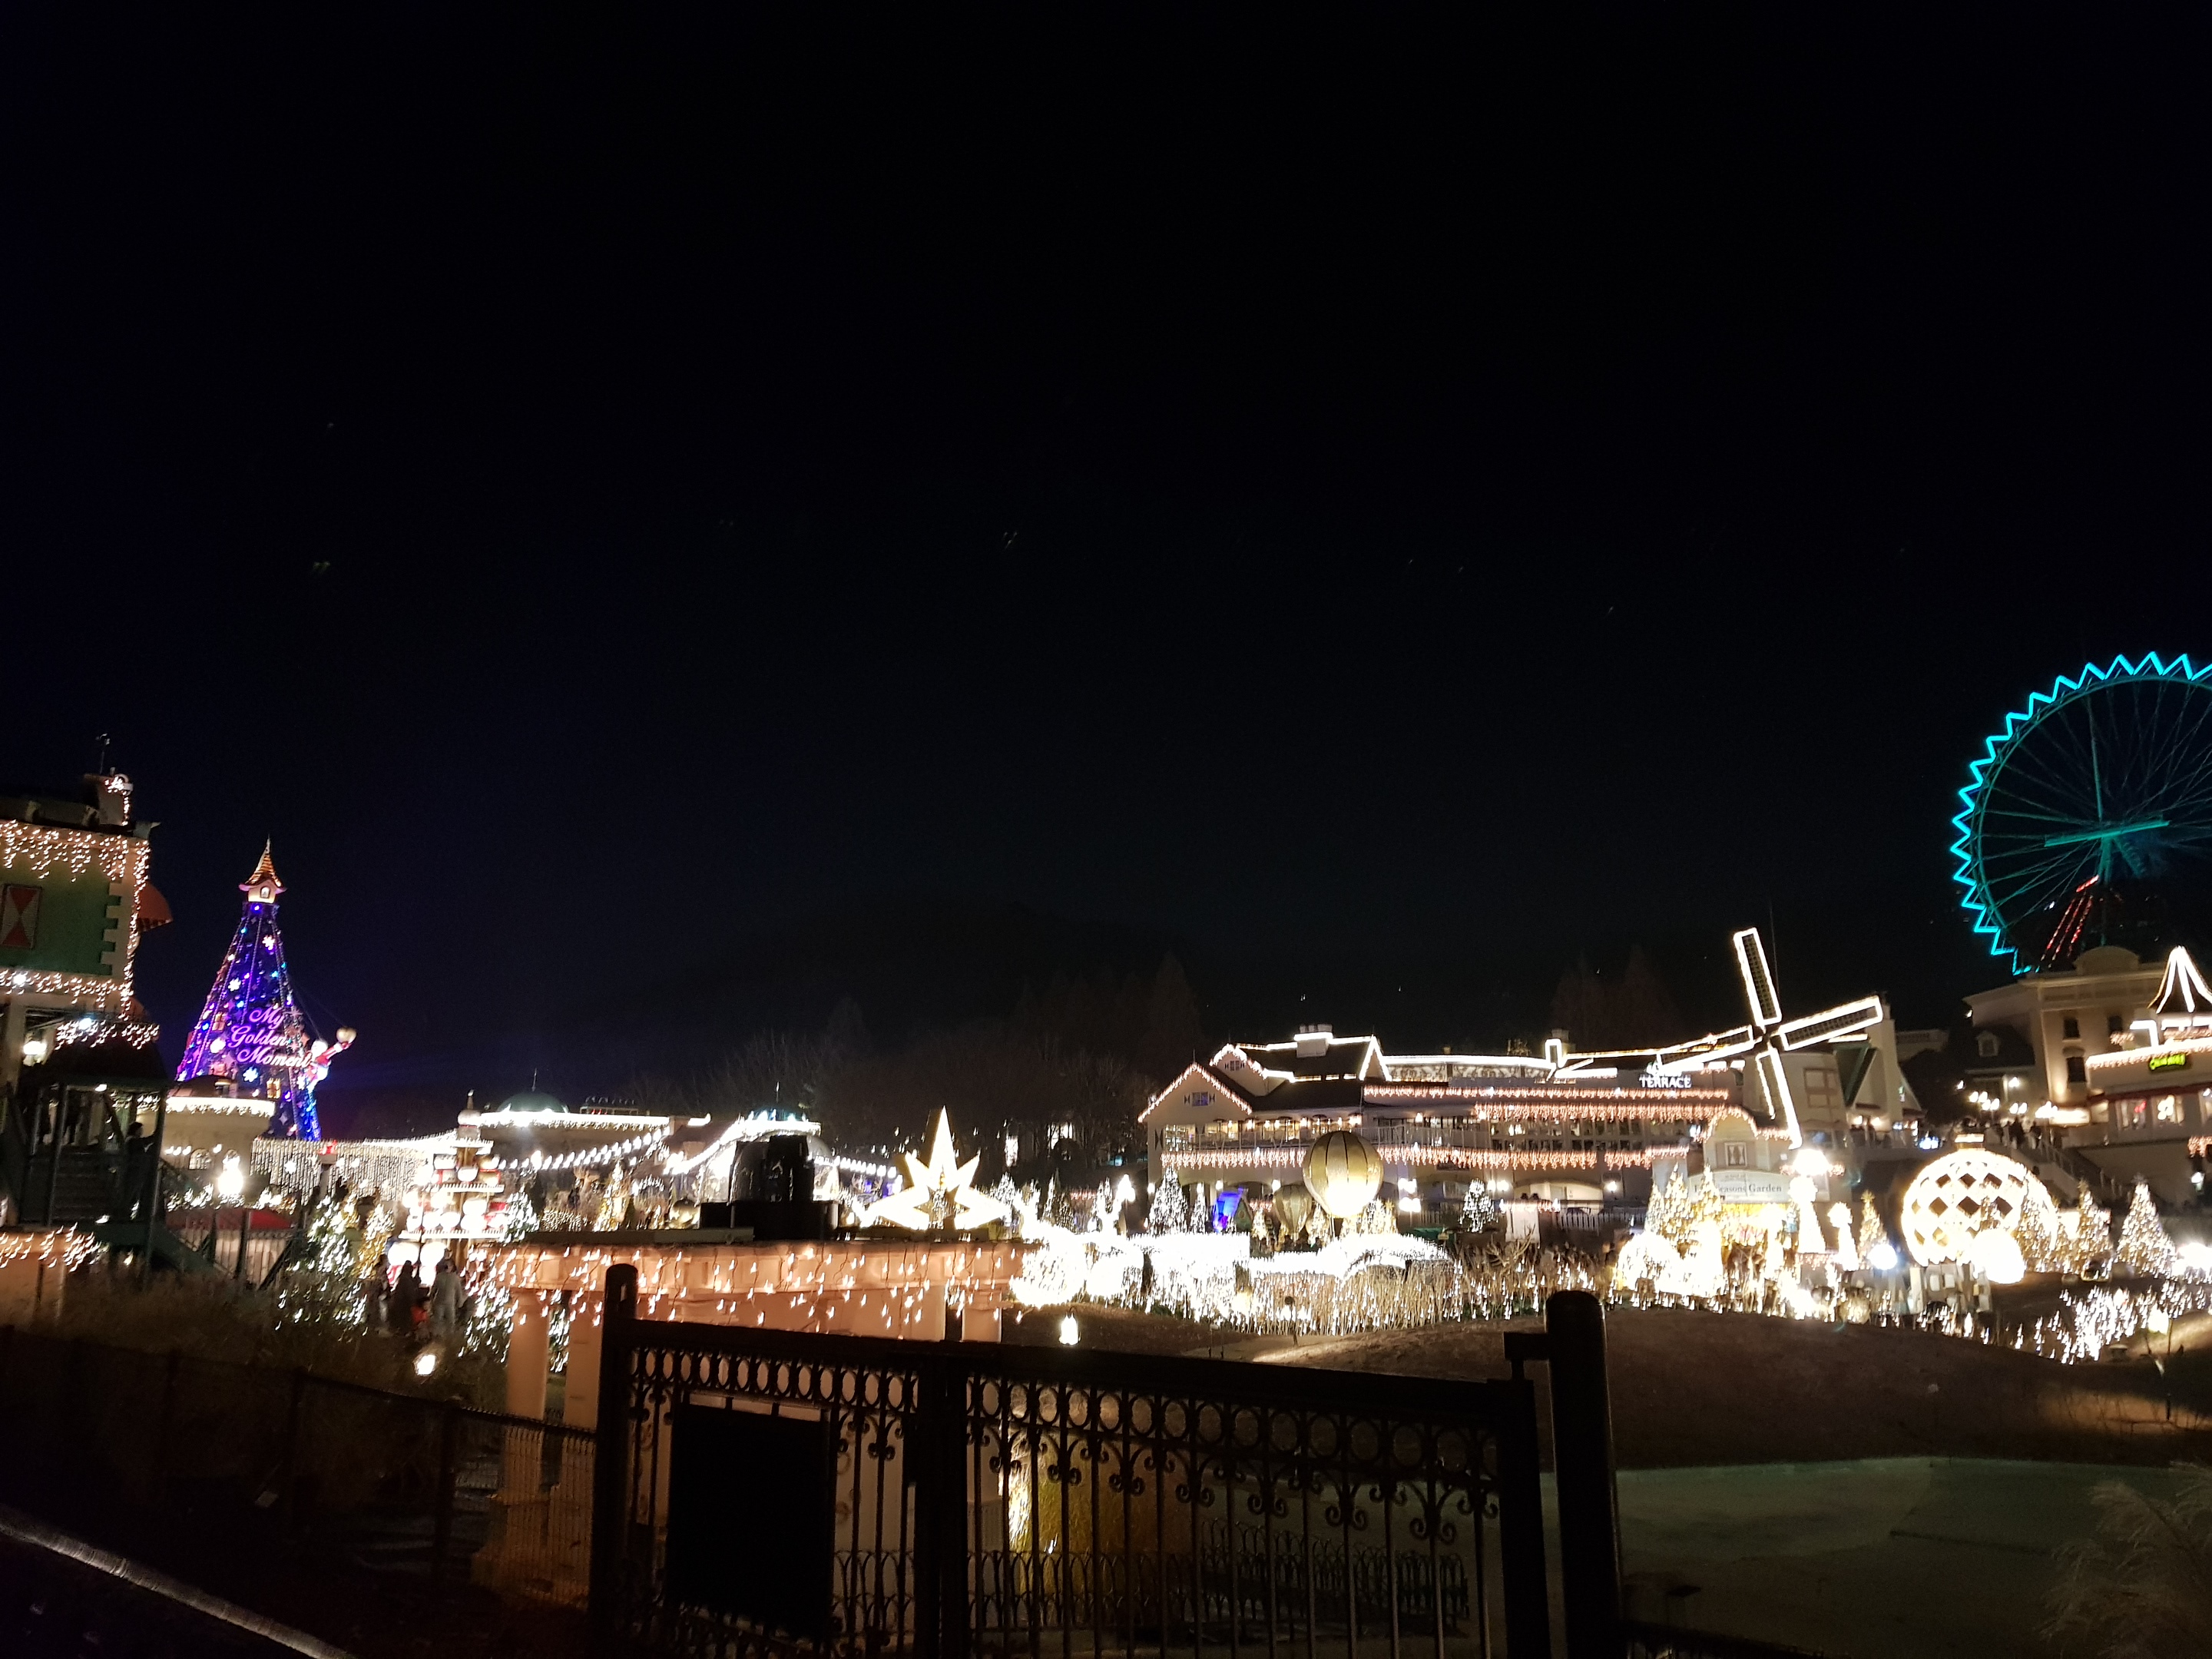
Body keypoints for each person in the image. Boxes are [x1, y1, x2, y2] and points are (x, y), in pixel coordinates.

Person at [430, 1257, 463, 1338]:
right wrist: (431, 1300)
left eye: (449, 1265)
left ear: (452, 1266)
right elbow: (434, 1289)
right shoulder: (439, 1276)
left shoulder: (455, 1278)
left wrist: (460, 1302)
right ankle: (436, 1336)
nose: (448, 1267)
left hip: (450, 1303)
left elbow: (458, 1291)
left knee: (451, 1321)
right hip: (439, 1302)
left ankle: (449, 1337)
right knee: (438, 1320)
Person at [389, 1261, 422, 1334]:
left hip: (403, 1302)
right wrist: (413, 1302)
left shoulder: (404, 1277)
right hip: (404, 1302)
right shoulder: (405, 1278)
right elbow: (410, 1291)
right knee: (405, 1319)